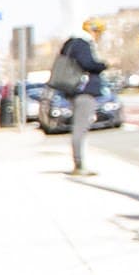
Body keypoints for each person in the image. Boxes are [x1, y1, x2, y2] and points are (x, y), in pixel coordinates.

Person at [51, 22, 110, 177]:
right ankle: (79, 164)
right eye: (99, 32)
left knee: (80, 126)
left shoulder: (71, 43)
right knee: (81, 127)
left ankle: (80, 162)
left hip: (74, 89)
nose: (100, 37)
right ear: (93, 31)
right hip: (83, 90)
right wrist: (102, 65)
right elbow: (88, 63)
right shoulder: (82, 44)